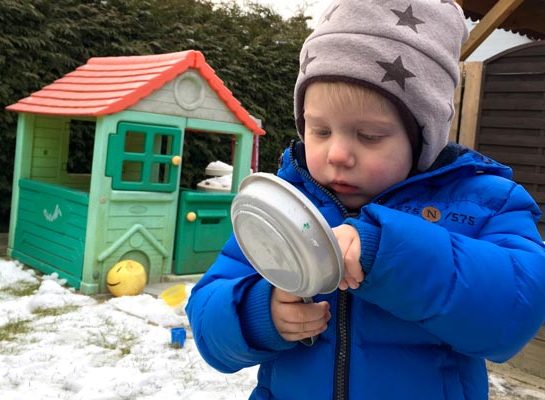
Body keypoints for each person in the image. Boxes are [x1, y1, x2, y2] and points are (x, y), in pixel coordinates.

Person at [185, 0, 545, 398]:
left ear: (422, 136)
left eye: (369, 135)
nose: (337, 153)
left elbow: (515, 315)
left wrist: (392, 254)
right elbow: (207, 317)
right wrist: (258, 313)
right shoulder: (287, 205)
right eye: (319, 131)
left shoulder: (483, 203)